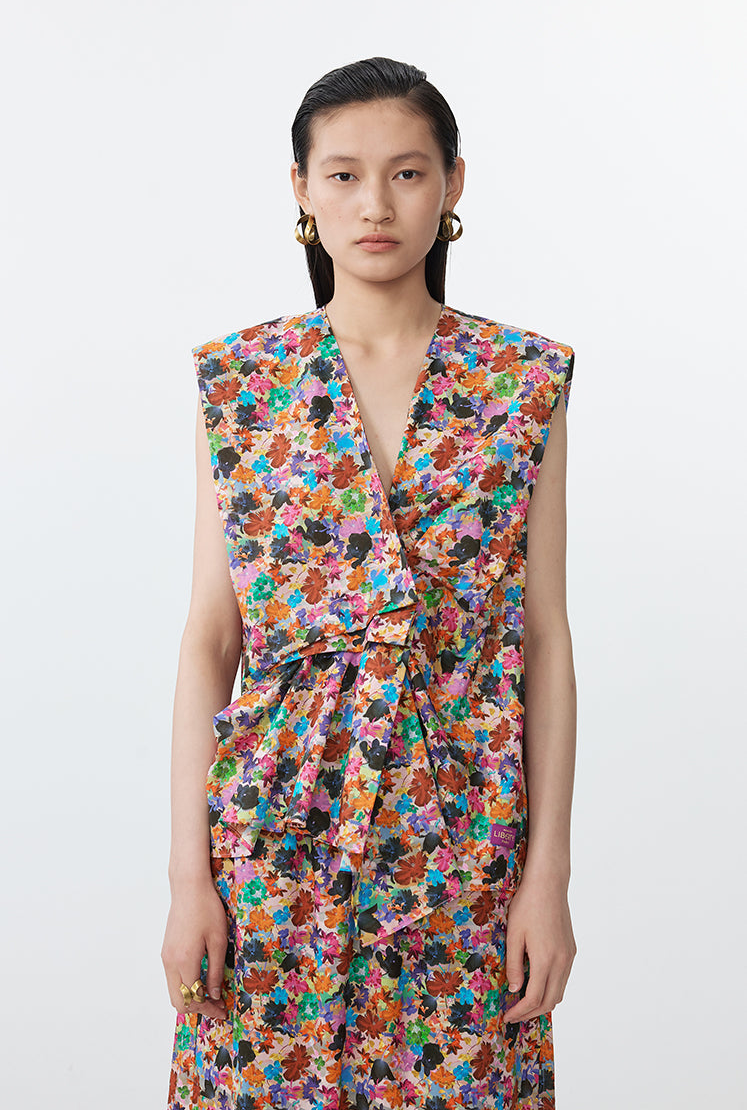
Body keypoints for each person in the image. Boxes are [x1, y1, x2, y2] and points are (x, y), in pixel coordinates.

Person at [162, 55, 577, 1110]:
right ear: (301, 190)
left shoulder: (523, 379)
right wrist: (188, 879)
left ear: (453, 184)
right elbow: (212, 637)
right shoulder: (241, 379)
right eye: (343, 175)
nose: (375, 204)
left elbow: (543, 639)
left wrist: (547, 878)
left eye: (406, 172)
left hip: (465, 833)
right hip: (273, 830)